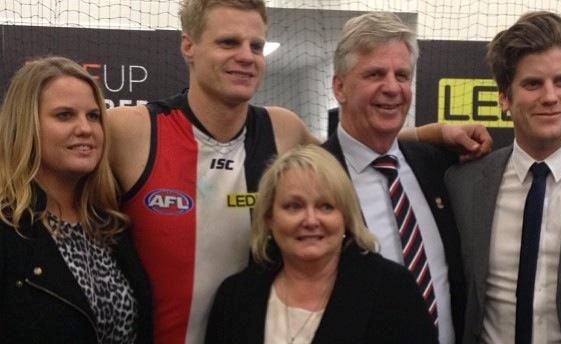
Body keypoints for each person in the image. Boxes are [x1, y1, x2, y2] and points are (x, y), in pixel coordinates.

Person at [107, 1, 498, 342]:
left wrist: (436, 133)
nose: (245, 55)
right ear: (188, 46)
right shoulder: (133, 130)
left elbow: (367, 143)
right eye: (228, 42)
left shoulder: (282, 128)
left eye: (256, 45)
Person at [445, 11, 561, 343]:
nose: (550, 97)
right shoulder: (462, 183)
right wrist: (429, 132)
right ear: (504, 98)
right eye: (533, 83)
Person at [322, 12, 467, 343]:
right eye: (375, 73)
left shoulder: (439, 167)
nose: (392, 88)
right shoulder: (313, 179)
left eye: (402, 75)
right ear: (339, 87)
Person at [206, 144, 437, 343]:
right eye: (293, 206)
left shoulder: (393, 291)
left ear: (345, 217)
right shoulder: (236, 297)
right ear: (269, 218)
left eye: (326, 206)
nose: (310, 220)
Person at [0, 56, 152, 343]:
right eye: (64, 115)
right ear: (26, 125)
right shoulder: (8, 228)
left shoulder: (111, 225)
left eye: (93, 116)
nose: (86, 128)